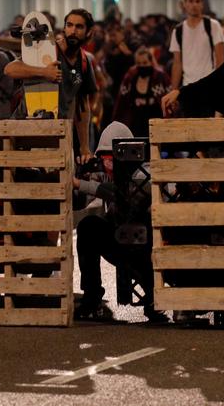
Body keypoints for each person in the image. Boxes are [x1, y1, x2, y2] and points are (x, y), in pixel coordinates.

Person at [74, 121, 167, 323]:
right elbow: (78, 202)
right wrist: (77, 173)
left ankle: (154, 300)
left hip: (147, 246)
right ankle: (91, 300)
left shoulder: (143, 174)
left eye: (112, 158)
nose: (108, 165)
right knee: (88, 226)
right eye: (104, 159)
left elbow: (122, 193)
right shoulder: (107, 175)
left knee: (140, 239)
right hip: (121, 242)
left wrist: (83, 184)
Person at [4, 8, 97, 161]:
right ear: (64, 27)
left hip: (58, 134)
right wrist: (43, 72)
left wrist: (85, 146)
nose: (73, 31)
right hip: (25, 130)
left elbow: (83, 108)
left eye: (79, 27)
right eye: (69, 25)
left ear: (89, 32)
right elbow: (10, 69)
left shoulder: (85, 62)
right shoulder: (47, 49)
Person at [169, 0, 224, 90]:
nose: (194, 5)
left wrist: (219, 86)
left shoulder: (213, 25)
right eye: (190, 1)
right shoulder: (177, 31)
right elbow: (177, 64)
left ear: (202, 4)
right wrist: (174, 91)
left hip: (209, 86)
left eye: (197, 1)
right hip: (187, 87)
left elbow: (220, 59)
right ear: (185, 4)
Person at [112, 46, 170, 137]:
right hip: (135, 127)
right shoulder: (130, 78)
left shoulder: (160, 77)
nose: (142, 66)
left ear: (151, 62)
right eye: (139, 63)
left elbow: (169, 101)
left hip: (157, 127)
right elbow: (121, 102)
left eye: (145, 63)